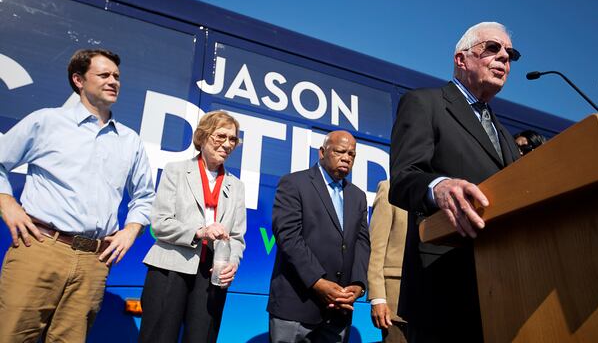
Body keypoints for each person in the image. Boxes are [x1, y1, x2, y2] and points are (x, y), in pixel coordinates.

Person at [0, 48, 155, 342]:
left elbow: (144, 196)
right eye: (104, 75)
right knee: (12, 335)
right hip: (40, 248)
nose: (113, 81)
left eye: (117, 77)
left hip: (93, 261)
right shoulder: (46, 122)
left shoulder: (129, 140)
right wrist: (7, 203)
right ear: (78, 79)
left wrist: (131, 230)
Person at [389, 22, 522, 342]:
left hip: (505, 285)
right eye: (493, 48)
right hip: (443, 284)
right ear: (461, 59)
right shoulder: (425, 103)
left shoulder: (504, 135)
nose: (504, 57)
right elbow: (404, 179)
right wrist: (439, 187)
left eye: (510, 53)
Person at [139, 110, 247, 343]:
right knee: (158, 337)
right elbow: (160, 223)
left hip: (212, 275)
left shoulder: (237, 186)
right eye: (220, 136)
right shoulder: (176, 170)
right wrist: (200, 232)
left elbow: (237, 237)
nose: (227, 144)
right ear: (203, 136)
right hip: (171, 268)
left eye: (232, 139)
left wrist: (232, 263)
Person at [267, 130, 370, 343]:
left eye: (352, 154)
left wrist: (358, 284)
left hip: (339, 310)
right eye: (340, 151)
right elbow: (288, 236)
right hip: (296, 304)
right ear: (322, 152)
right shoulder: (294, 183)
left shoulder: (358, 196)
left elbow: (361, 243)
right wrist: (318, 282)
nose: (346, 158)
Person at [367, 180, 408, 343]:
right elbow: (376, 248)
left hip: (435, 302)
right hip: (396, 304)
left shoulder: (445, 190)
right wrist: (378, 298)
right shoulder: (389, 188)